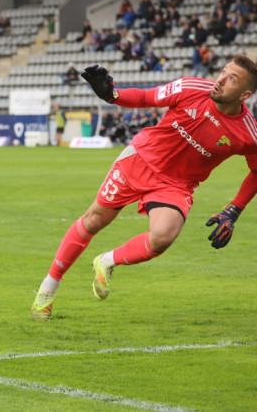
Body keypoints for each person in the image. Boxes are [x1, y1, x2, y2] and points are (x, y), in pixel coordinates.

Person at [31, 55, 257, 322]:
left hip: (176, 184)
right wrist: (113, 95)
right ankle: (49, 287)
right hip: (140, 159)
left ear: (245, 94)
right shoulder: (192, 88)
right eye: (222, 72)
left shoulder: (247, 133)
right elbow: (146, 97)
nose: (220, 79)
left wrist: (233, 211)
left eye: (231, 79)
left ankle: (107, 260)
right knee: (95, 220)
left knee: (163, 237)